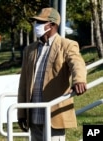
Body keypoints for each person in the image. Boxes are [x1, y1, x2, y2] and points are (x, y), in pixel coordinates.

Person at [17, 7, 87, 141]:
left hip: (54, 114)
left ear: (53, 25)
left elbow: (77, 63)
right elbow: (23, 84)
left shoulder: (67, 45)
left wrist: (79, 80)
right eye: (36, 22)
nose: (36, 25)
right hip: (33, 115)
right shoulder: (29, 50)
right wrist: (21, 112)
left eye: (40, 22)